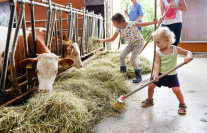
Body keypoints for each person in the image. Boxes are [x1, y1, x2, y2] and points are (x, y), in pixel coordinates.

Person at [141, 27, 192, 114]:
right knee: (151, 85)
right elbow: (156, 64)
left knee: (176, 90)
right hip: (160, 74)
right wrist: (156, 74)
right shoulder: (158, 52)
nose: (156, 44)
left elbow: (188, 52)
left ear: (167, 40)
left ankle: (182, 104)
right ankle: (150, 99)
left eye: (158, 42)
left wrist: (188, 57)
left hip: (172, 76)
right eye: (155, 42)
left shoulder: (175, 49)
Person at [99, 13, 157, 83]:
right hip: (131, 44)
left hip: (139, 43)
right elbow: (112, 39)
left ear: (120, 21)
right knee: (121, 56)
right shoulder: (119, 29)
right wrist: (102, 40)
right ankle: (123, 74)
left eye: (114, 22)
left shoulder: (131, 24)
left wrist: (153, 22)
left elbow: (143, 24)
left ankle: (138, 76)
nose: (113, 24)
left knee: (132, 60)